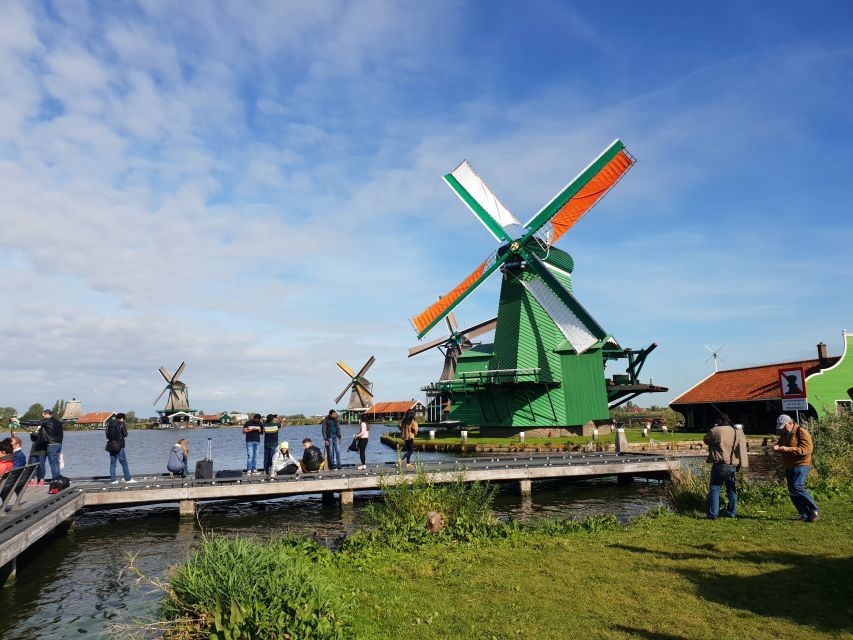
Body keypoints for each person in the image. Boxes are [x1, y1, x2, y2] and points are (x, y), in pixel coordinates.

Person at [773, 414, 819, 522]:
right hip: (789, 465)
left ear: (790, 423)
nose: (782, 429)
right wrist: (777, 447)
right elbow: (780, 443)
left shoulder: (801, 431)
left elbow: (807, 449)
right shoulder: (785, 433)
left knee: (798, 486)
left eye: (783, 427)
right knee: (792, 491)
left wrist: (788, 449)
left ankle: (814, 508)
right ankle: (803, 515)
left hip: (801, 464)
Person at [702, 414, 745, 519]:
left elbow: (706, 440)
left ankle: (713, 514)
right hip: (732, 465)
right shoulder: (736, 432)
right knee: (731, 489)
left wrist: (714, 427)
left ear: (720, 420)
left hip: (720, 464)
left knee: (715, 489)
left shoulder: (716, 430)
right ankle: (732, 513)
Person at [105, 413, 135, 484]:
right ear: (122, 418)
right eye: (124, 419)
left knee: (112, 463)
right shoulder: (121, 424)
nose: (124, 420)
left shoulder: (109, 424)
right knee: (124, 462)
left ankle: (113, 480)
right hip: (119, 446)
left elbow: (107, 435)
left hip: (111, 445)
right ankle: (128, 479)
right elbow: (125, 434)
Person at [39, 409, 64, 482]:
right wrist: (60, 442)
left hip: (51, 445)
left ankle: (55, 479)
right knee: (56, 462)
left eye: (43, 415)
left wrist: (19, 422)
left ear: (47, 414)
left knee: (52, 462)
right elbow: (61, 434)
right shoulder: (58, 422)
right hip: (59, 444)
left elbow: (35, 423)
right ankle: (58, 478)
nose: (43, 417)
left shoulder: (46, 421)